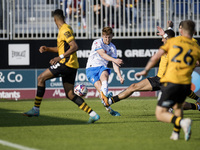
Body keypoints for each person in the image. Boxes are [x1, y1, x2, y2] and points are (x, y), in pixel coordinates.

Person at [23, 9, 100, 124]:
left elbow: (74, 46)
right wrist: (48, 49)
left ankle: (36, 109)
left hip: (66, 64)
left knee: (41, 78)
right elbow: (62, 49)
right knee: (70, 94)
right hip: (71, 66)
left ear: (55, 19)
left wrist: (60, 58)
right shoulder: (63, 30)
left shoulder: (65, 30)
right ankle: (93, 114)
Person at [101, 24, 200, 111]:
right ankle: (110, 101)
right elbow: (171, 36)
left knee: (175, 105)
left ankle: (198, 106)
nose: (162, 40)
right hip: (158, 79)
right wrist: (167, 29)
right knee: (133, 87)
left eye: (163, 38)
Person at [135, 20, 200, 141]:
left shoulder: (174, 41)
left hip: (172, 81)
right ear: (194, 32)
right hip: (185, 84)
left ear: (181, 31)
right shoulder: (196, 46)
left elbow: (157, 56)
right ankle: (176, 133)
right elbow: (197, 63)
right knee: (178, 106)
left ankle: (182, 122)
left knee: (160, 114)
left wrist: (145, 70)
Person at [86, 26, 124, 116]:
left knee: (105, 76)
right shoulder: (97, 42)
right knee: (103, 93)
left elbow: (115, 64)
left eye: (109, 37)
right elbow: (102, 54)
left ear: (112, 36)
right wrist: (114, 60)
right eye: (106, 37)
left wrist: (119, 75)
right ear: (102, 36)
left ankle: (106, 100)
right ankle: (110, 110)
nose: (107, 39)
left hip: (102, 67)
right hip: (91, 69)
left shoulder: (112, 47)